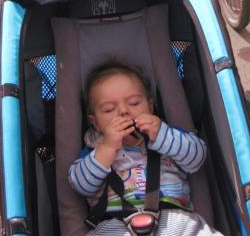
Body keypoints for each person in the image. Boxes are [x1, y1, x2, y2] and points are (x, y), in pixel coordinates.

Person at [68, 61, 222, 235]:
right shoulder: (95, 151)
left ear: (150, 106)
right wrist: (107, 148)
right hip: (114, 225)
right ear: (95, 123)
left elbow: (197, 157)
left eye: (134, 103)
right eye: (109, 109)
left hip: (174, 219)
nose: (123, 111)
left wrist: (162, 135)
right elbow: (79, 185)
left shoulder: (169, 138)